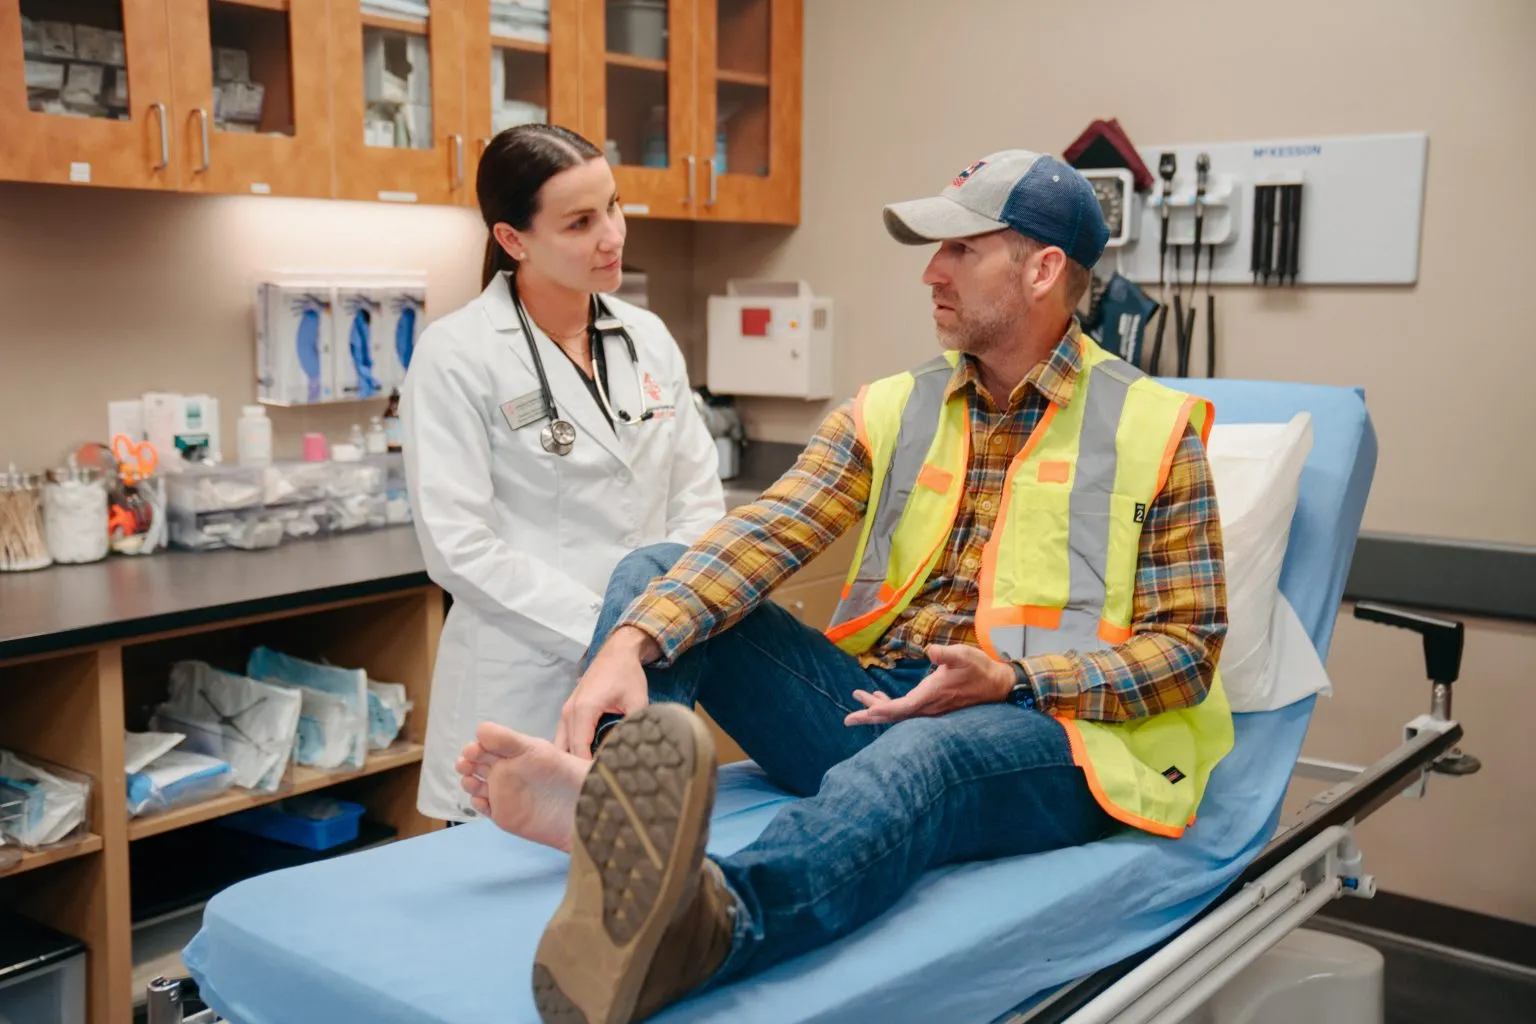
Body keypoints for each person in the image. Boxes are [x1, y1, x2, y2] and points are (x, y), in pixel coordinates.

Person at [457, 149, 1234, 1023]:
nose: (930, 273)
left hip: (1053, 734)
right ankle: (604, 813)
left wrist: (1014, 680)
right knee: (654, 577)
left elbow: (1186, 654)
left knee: (926, 753)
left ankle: (715, 923)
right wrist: (633, 642)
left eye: (959, 251)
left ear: (1043, 269)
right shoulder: (894, 406)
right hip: (879, 704)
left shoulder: (1154, 430)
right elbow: (768, 529)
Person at [401, 123, 726, 822]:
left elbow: (697, 497)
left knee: (631, 877)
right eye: (581, 222)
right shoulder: (457, 354)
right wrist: (613, 630)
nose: (612, 235)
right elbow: (459, 546)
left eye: (613, 206)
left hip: (646, 665)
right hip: (523, 673)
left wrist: (646, 629)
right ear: (514, 240)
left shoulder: (646, 337)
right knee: (504, 906)